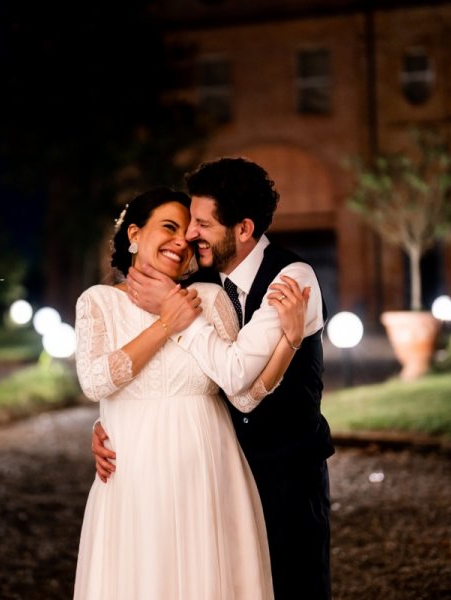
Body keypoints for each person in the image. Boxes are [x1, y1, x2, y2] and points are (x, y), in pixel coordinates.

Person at [93, 158, 334, 599]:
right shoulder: (200, 282)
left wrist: (176, 315)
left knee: (294, 586)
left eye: (202, 224)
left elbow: (236, 373)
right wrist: (109, 421)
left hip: (284, 472)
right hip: (214, 473)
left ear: (243, 229)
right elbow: (157, 370)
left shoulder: (292, 277)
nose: (189, 235)